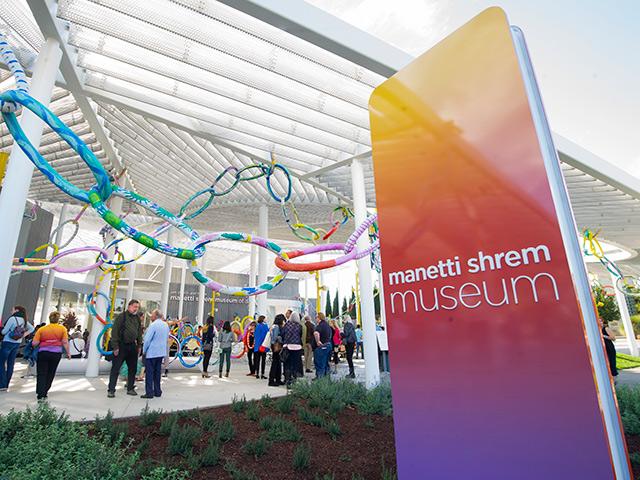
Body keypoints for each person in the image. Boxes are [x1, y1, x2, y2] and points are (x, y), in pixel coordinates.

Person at [107, 299, 143, 398]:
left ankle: (130, 388)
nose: (136, 309)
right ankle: (111, 390)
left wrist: (139, 345)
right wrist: (115, 347)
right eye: (135, 307)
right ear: (129, 306)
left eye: (137, 307)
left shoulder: (137, 319)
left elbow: (139, 332)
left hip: (132, 346)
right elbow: (114, 332)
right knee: (116, 368)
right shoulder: (121, 317)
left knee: (133, 368)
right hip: (121, 345)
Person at [32, 311, 70, 401]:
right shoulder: (62, 329)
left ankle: (40, 393)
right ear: (58, 320)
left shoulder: (42, 329)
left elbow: (34, 343)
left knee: (41, 373)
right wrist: (68, 353)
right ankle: (45, 391)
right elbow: (65, 342)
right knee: (51, 373)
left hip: (43, 353)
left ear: (49, 319)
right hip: (56, 354)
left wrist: (43, 342)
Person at [0, 306, 34, 391]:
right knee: (11, 364)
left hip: (7, 342)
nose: (11, 311)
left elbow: (4, 332)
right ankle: (6, 384)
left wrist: (3, 330)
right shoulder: (24, 320)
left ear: (17, 310)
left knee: (1, 363)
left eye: (13, 309)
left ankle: (2, 384)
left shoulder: (12, 319)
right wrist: (23, 335)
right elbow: (32, 328)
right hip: (17, 344)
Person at [141, 309, 170, 399]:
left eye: (152, 315)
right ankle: (158, 391)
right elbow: (166, 339)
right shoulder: (165, 325)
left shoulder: (153, 325)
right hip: (161, 352)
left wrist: (144, 350)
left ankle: (149, 392)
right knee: (157, 373)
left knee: (149, 373)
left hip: (152, 352)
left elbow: (147, 339)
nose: (151, 316)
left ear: (155, 316)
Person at [281, 312, 303, 388]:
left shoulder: (286, 325)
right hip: (297, 347)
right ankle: (294, 379)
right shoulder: (299, 326)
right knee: (295, 364)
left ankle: (287, 380)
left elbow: (282, 334)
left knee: (287, 364)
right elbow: (300, 335)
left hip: (287, 346)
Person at [313, 312, 332, 378]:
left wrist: (318, 341)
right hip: (328, 345)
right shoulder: (327, 325)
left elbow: (316, 333)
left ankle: (320, 379)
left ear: (319, 318)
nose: (315, 319)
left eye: (316, 317)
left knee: (320, 363)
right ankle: (327, 378)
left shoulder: (320, 325)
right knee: (326, 363)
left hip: (322, 347)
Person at [268, 314, 285, 386]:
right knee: (275, 363)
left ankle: (277, 379)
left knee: (277, 363)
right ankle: (271, 380)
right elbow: (275, 338)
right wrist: (281, 339)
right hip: (276, 346)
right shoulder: (277, 327)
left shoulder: (273, 326)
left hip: (274, 346)